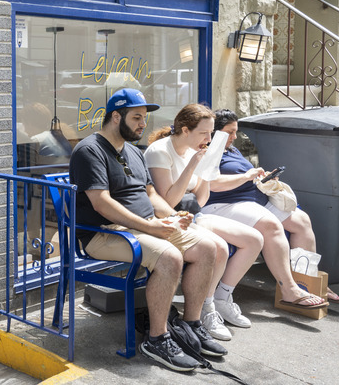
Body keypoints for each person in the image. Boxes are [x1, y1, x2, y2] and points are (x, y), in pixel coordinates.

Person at [69, 88, 227, 373]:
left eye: (144, 118)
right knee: (170, 257)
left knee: (208, 247)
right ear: (116, 117)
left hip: (143, 226)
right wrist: (151, 226)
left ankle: (191, 325)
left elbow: (151, 194)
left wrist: (173, 215)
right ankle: (157, 338)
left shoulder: (133, 151)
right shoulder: (89, 150)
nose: (144, 124)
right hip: (104, 232)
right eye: (136, 117)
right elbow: (101, 204)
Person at [144, 104, 264, 341]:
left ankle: (221, 298)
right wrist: (193, 165)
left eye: (211, 134)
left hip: (193, 214)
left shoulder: (192, 150)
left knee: (254, 239)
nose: (208, 139)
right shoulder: (160, 151)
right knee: (217, 247)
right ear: (185, 130)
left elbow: (201, 199)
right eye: (204, 133)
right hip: (170, 216)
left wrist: (207, 169)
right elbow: (167, 201)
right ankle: (206, 309)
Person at [202, 108, 338, 309]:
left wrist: (262, 177)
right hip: (226, 203)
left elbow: (245, 173)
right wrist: (247, 176)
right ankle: (289, 289)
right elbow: (212, 183)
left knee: (302, 221)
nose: (234, 136)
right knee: (270, 225)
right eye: (229, 132)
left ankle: (308, 281)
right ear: (215, 132)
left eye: (235, 131)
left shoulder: (231, 149)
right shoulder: (207, 151)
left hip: (254, 198)